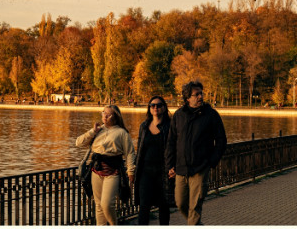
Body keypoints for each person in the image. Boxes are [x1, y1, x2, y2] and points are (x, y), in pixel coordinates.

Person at [165, 81, 227, 225]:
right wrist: (169, 165)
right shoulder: (179, 115)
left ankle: (194, 224)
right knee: (180, 203)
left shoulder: (211, 115)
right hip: (181, 169)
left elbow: (221, 140)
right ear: (187, 98)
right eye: (196, 94)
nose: (200, 96)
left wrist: (212, 161)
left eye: (201, 93)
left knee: (195, 207)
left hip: (200, 168)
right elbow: (171, 142)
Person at [76, 105, 136, 225]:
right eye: (104, 113)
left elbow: (130, 153)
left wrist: (131, 171)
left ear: (116, 116)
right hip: (96, 170)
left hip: (113, 171)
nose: (105, 116)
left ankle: (114, 225)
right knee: (98, 206)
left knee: (107, 204)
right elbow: (79, 143)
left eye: (109, 114)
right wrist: (93, 131)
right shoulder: (98, 130)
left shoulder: (121, 132)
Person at [136, 96, 172, 225]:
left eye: (159, 105)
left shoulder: (169, 126)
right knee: (144, 206)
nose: (155, 107)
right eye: (152, 105)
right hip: (146, 171)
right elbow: (140, 148)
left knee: (164, 206)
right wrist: (135, 169)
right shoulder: (144, 126)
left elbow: (174, 148)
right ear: (149, 108)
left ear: (164, 108)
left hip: (163, 172)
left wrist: (173, 167)